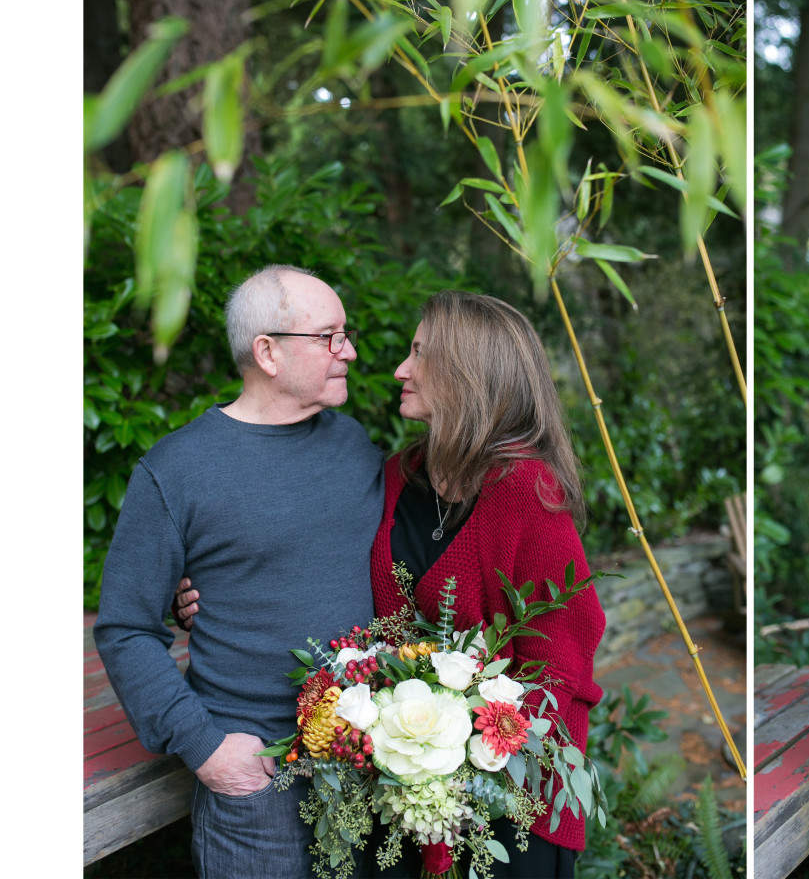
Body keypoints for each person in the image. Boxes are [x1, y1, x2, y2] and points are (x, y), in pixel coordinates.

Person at [95, 265, 384, 877]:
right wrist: (206, 748)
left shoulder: (355, 447)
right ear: (268, 353)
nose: (349, 351)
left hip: (369, 762)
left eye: (346, 333)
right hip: (257, 779)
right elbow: (124, 628)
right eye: (329, 336)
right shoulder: (177, 470)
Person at [370, 290, 606, 876]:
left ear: (466, 374)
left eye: (419, 354)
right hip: (405, 790)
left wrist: (466, 754)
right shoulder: (399, 477)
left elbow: (561, 664)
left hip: (513, 803)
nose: (401, 369)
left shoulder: (526, 493)